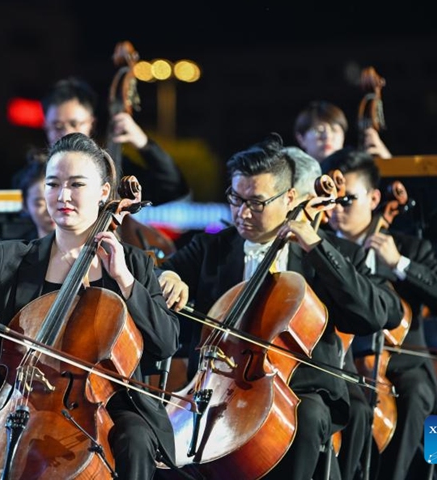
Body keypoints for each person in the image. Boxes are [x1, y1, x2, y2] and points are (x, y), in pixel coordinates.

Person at [0, 132, 181, 479]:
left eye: (76, 184)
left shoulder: (133, 264)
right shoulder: (13, 257)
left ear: (104, 192)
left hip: (104, 405)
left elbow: (165, 342)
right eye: (53, 184)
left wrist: (124, 280)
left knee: (134, 439)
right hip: (17, 403)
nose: (63, 196)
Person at [158, 133, 403, 480]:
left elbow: (380, 313)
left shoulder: (330, 253)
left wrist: (317, 248)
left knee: (307, 422)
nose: (242, 213)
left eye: (256, 203)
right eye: (235, 198)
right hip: (216, 387)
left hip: (299, 392)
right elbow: (160, 275)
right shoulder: (211, 248)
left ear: (289, 199)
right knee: (164, 445)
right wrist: (171, 278)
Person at [324, 148, 437, 480]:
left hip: (401, 361)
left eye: (346, 200)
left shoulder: (409, 248)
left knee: (418, 391)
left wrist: (400, 265)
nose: (335, 210)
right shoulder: (317, 247)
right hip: (336, 358)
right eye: (330, 200)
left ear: (375, 198)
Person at [28, 76, 189, 207]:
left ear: (91, 123)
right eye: (57, 126)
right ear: (45, 127)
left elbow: (171, 188)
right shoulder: (32, 175)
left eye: (74, 123)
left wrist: (143, 143)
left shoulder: (112, 168)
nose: (66, 133)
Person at [294, 100, 392, 163]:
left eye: (334, 130)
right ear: (301, 139)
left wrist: (389, 163)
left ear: (343, 136)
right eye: (318, 131)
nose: (327, 137)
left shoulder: (355, 171)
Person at [13, 156, 55, 240]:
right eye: (39, 204)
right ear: (25, 205)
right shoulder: (19, 251)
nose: (49, 210)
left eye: (55, 200)